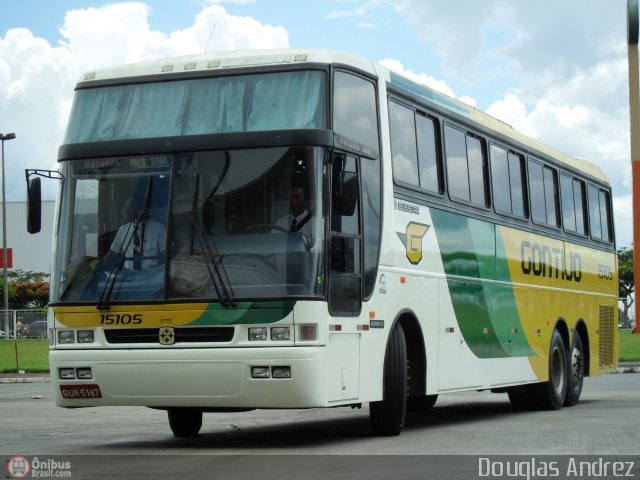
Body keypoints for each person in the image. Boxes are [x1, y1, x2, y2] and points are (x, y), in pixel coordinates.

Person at [104, 197, 166, 270]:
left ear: (136, 209)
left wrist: (156, 268)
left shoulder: (159, 229)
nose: (124, 211)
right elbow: (113, 254)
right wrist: (96, 267)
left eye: (127, 208)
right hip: (129, 276)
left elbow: (165, 255)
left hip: (150, 276)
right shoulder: (123, 230)